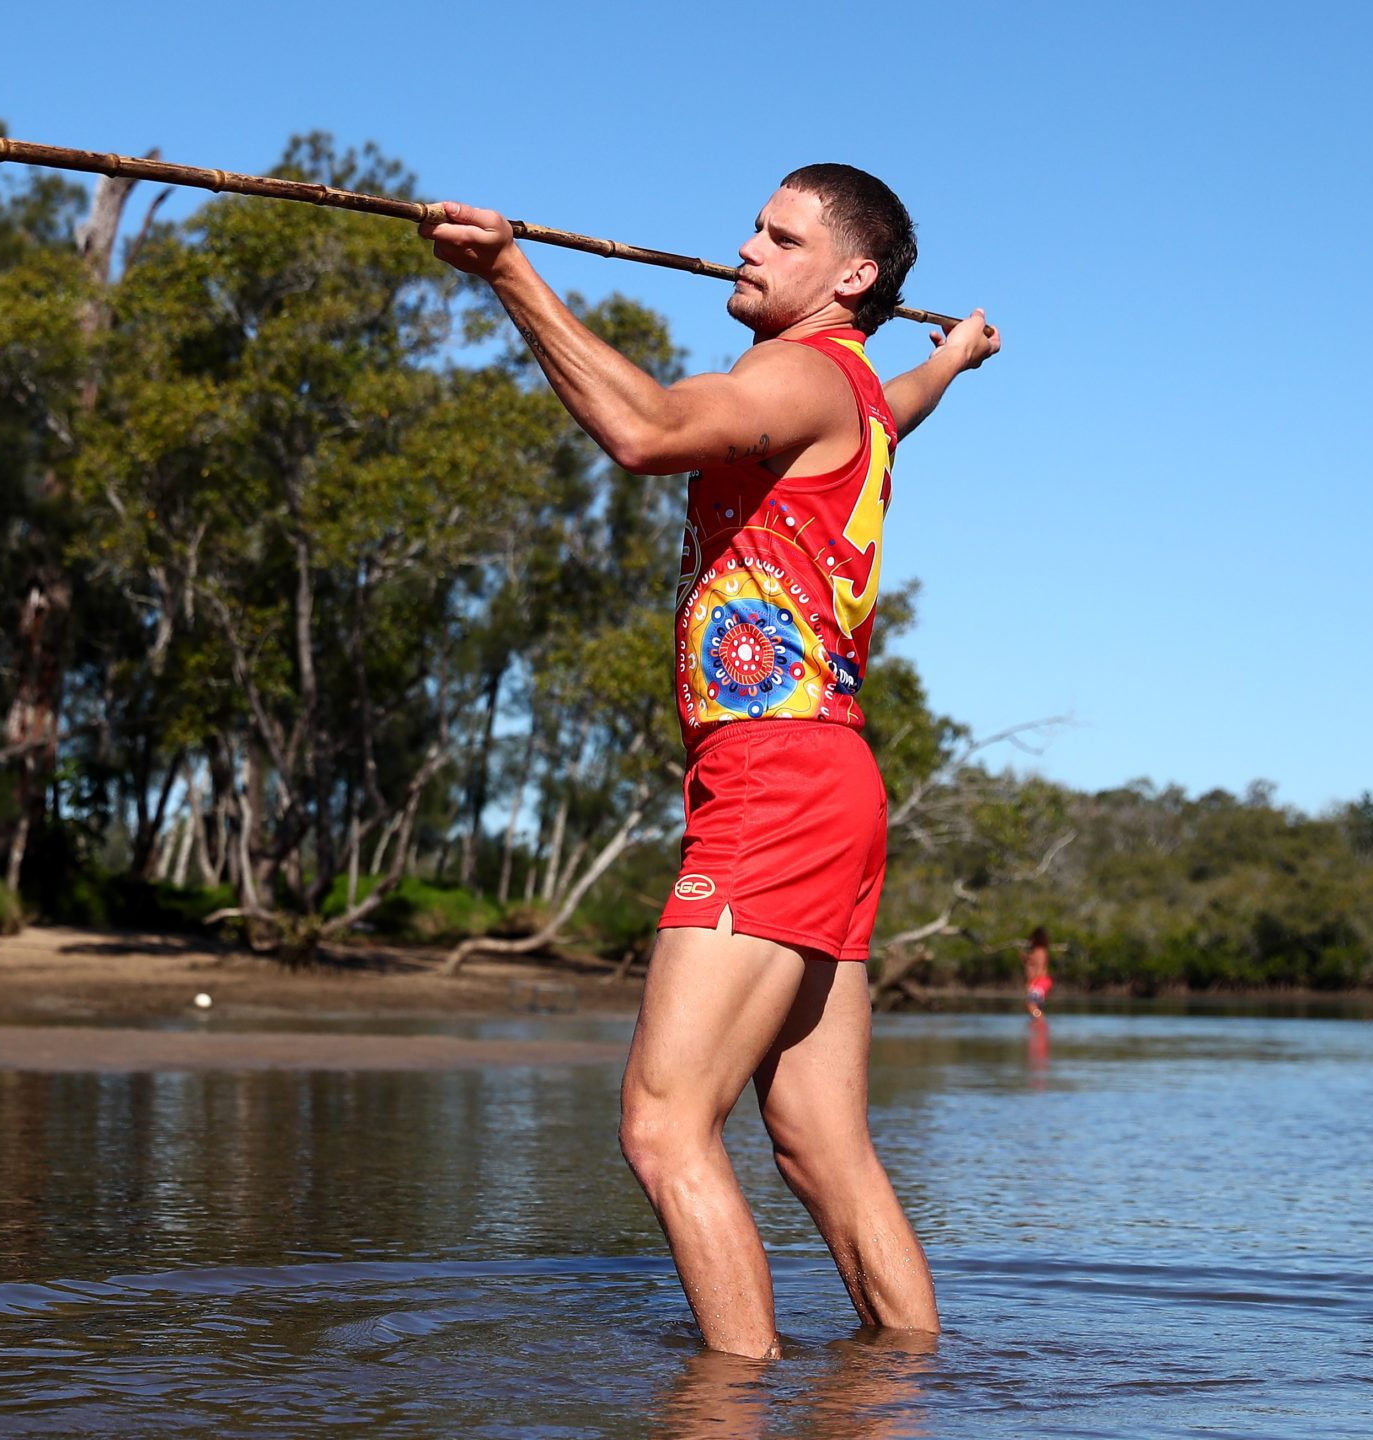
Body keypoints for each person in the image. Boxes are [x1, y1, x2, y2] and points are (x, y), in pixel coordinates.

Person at [422, 166, 1000, 1357]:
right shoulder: (854, 392)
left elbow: (645, 433)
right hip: (833, 784)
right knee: (817, 1144)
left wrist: (510, 276)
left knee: (664, 1126)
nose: (742, 247)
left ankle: (730, 1405)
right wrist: (950, 363)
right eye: (749, 227)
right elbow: (900, 403)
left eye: (776, 236)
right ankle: (900, 1394)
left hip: (775, 785)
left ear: (851, 276)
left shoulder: (788, 373)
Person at [1023, 926, 1054, 1019]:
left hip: (1039, 982)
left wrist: (1031, 982)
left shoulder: (1039, 951)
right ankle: (1038, 1023)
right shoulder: (1037, 952)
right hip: (1039, 982)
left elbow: (1039, 969)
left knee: (1031, 1005)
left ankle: (1040, 1019)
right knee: (1036, 1006)